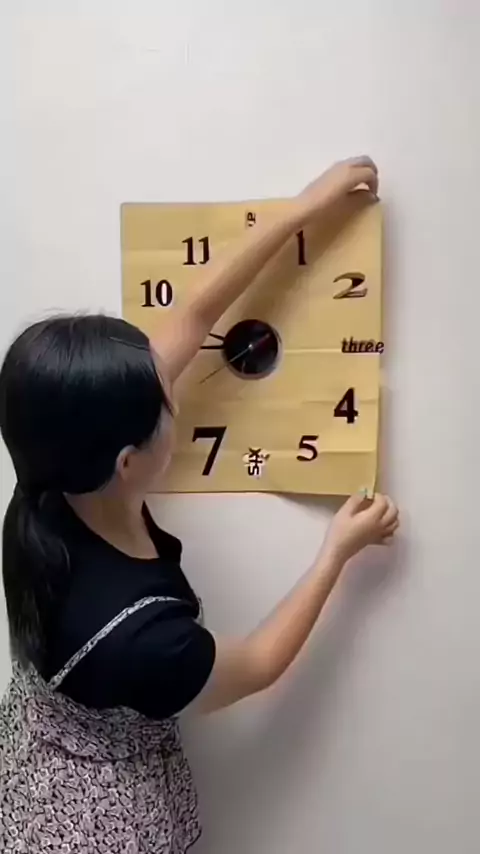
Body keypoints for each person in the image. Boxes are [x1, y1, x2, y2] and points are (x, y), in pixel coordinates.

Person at [0, 156, 399, 853]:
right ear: (128, 461)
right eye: (166, 403)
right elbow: (259, 664)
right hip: (101, 825)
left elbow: (194, 316)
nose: (177, 394)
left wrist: (305, 209)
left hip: (33, 758)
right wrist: (335, 552)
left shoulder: (52, 473)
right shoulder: (149, 643)